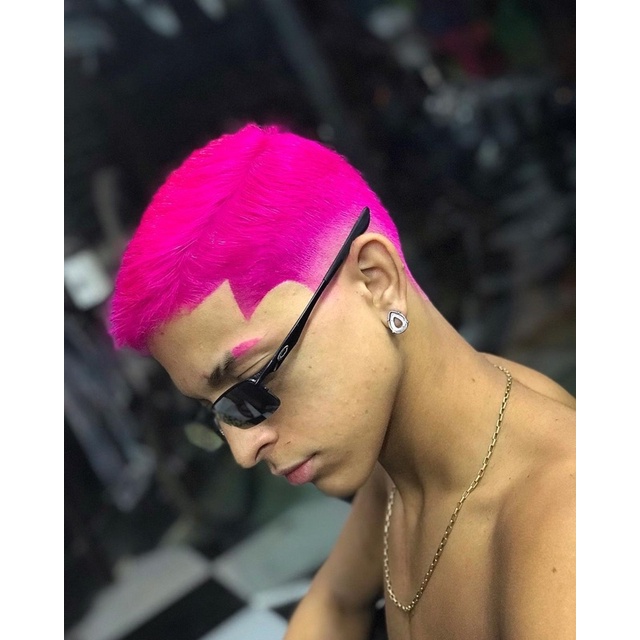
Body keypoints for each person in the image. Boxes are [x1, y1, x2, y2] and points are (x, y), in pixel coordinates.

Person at [109, 122, 576, 639]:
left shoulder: (564, 529)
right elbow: (334, 601)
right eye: (218, 411)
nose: (243, 450)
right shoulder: (403, 456)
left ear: (376, 281)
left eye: (251, 384)